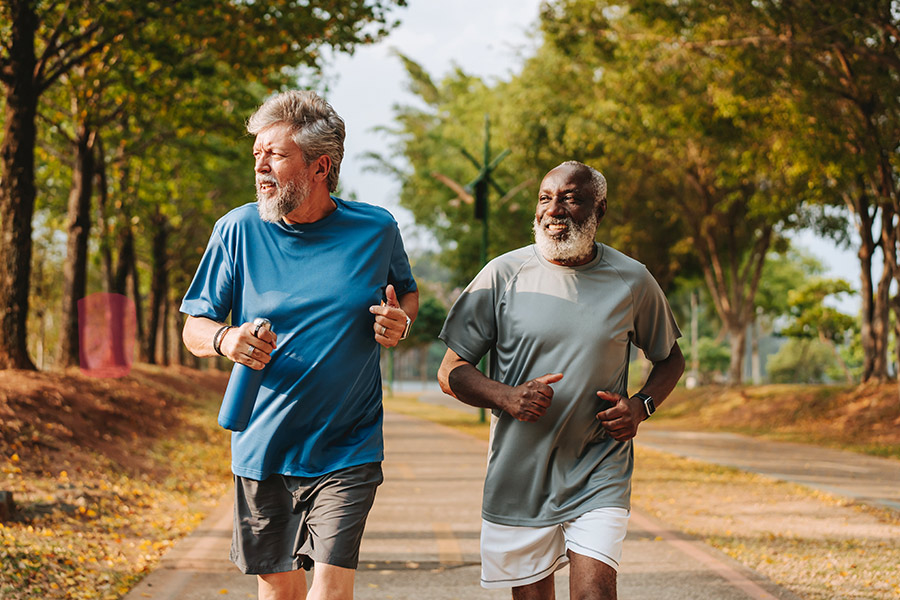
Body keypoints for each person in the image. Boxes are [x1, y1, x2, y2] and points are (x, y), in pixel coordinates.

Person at [181, 90, 418, 600]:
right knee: (281, 591)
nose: (261, 166)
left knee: (329, 591)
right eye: (257, 155)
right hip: (262, 446)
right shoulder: (238, 229)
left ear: (319, 166)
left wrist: (400, 323)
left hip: (348, 445)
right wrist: (226, 339)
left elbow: (407, 296)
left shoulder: (375, 229)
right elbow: (193, 325)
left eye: (276, 154)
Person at [437, 160, 684, 600]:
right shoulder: (502, 275)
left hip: (599, 467)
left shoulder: (632, 279)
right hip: (519, 474)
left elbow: (670, 359)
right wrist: (507, 397)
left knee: (595, 594)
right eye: (546, 198)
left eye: (570, 198)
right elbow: (450, 370)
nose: (554, 209)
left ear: (599, 209)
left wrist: (641, 406)